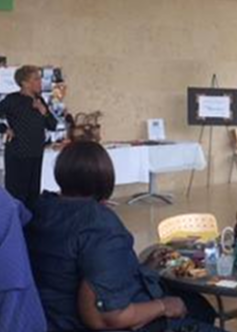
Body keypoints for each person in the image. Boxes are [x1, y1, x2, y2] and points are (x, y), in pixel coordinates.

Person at [26, 142, 219, 332]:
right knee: (194, 308)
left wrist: (139, 269)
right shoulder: (98, 224)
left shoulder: (40, 209)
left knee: (199, 307)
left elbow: (80, 272)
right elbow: (106, 317)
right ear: (105, 178)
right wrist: (164, 306)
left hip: (52, 320)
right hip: (96, 323)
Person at [0, 65, 58, 207]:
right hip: (18, 155)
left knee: (33, 195)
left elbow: (53, 125)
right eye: (36, 79)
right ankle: (15, 226)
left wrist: (43, 111)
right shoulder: (12, 100)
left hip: (36, 154)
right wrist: (4, 129)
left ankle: (31, 227)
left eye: (40, 78)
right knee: (17, 196)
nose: (40, 82)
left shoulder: (39, 100)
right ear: (24, 83)